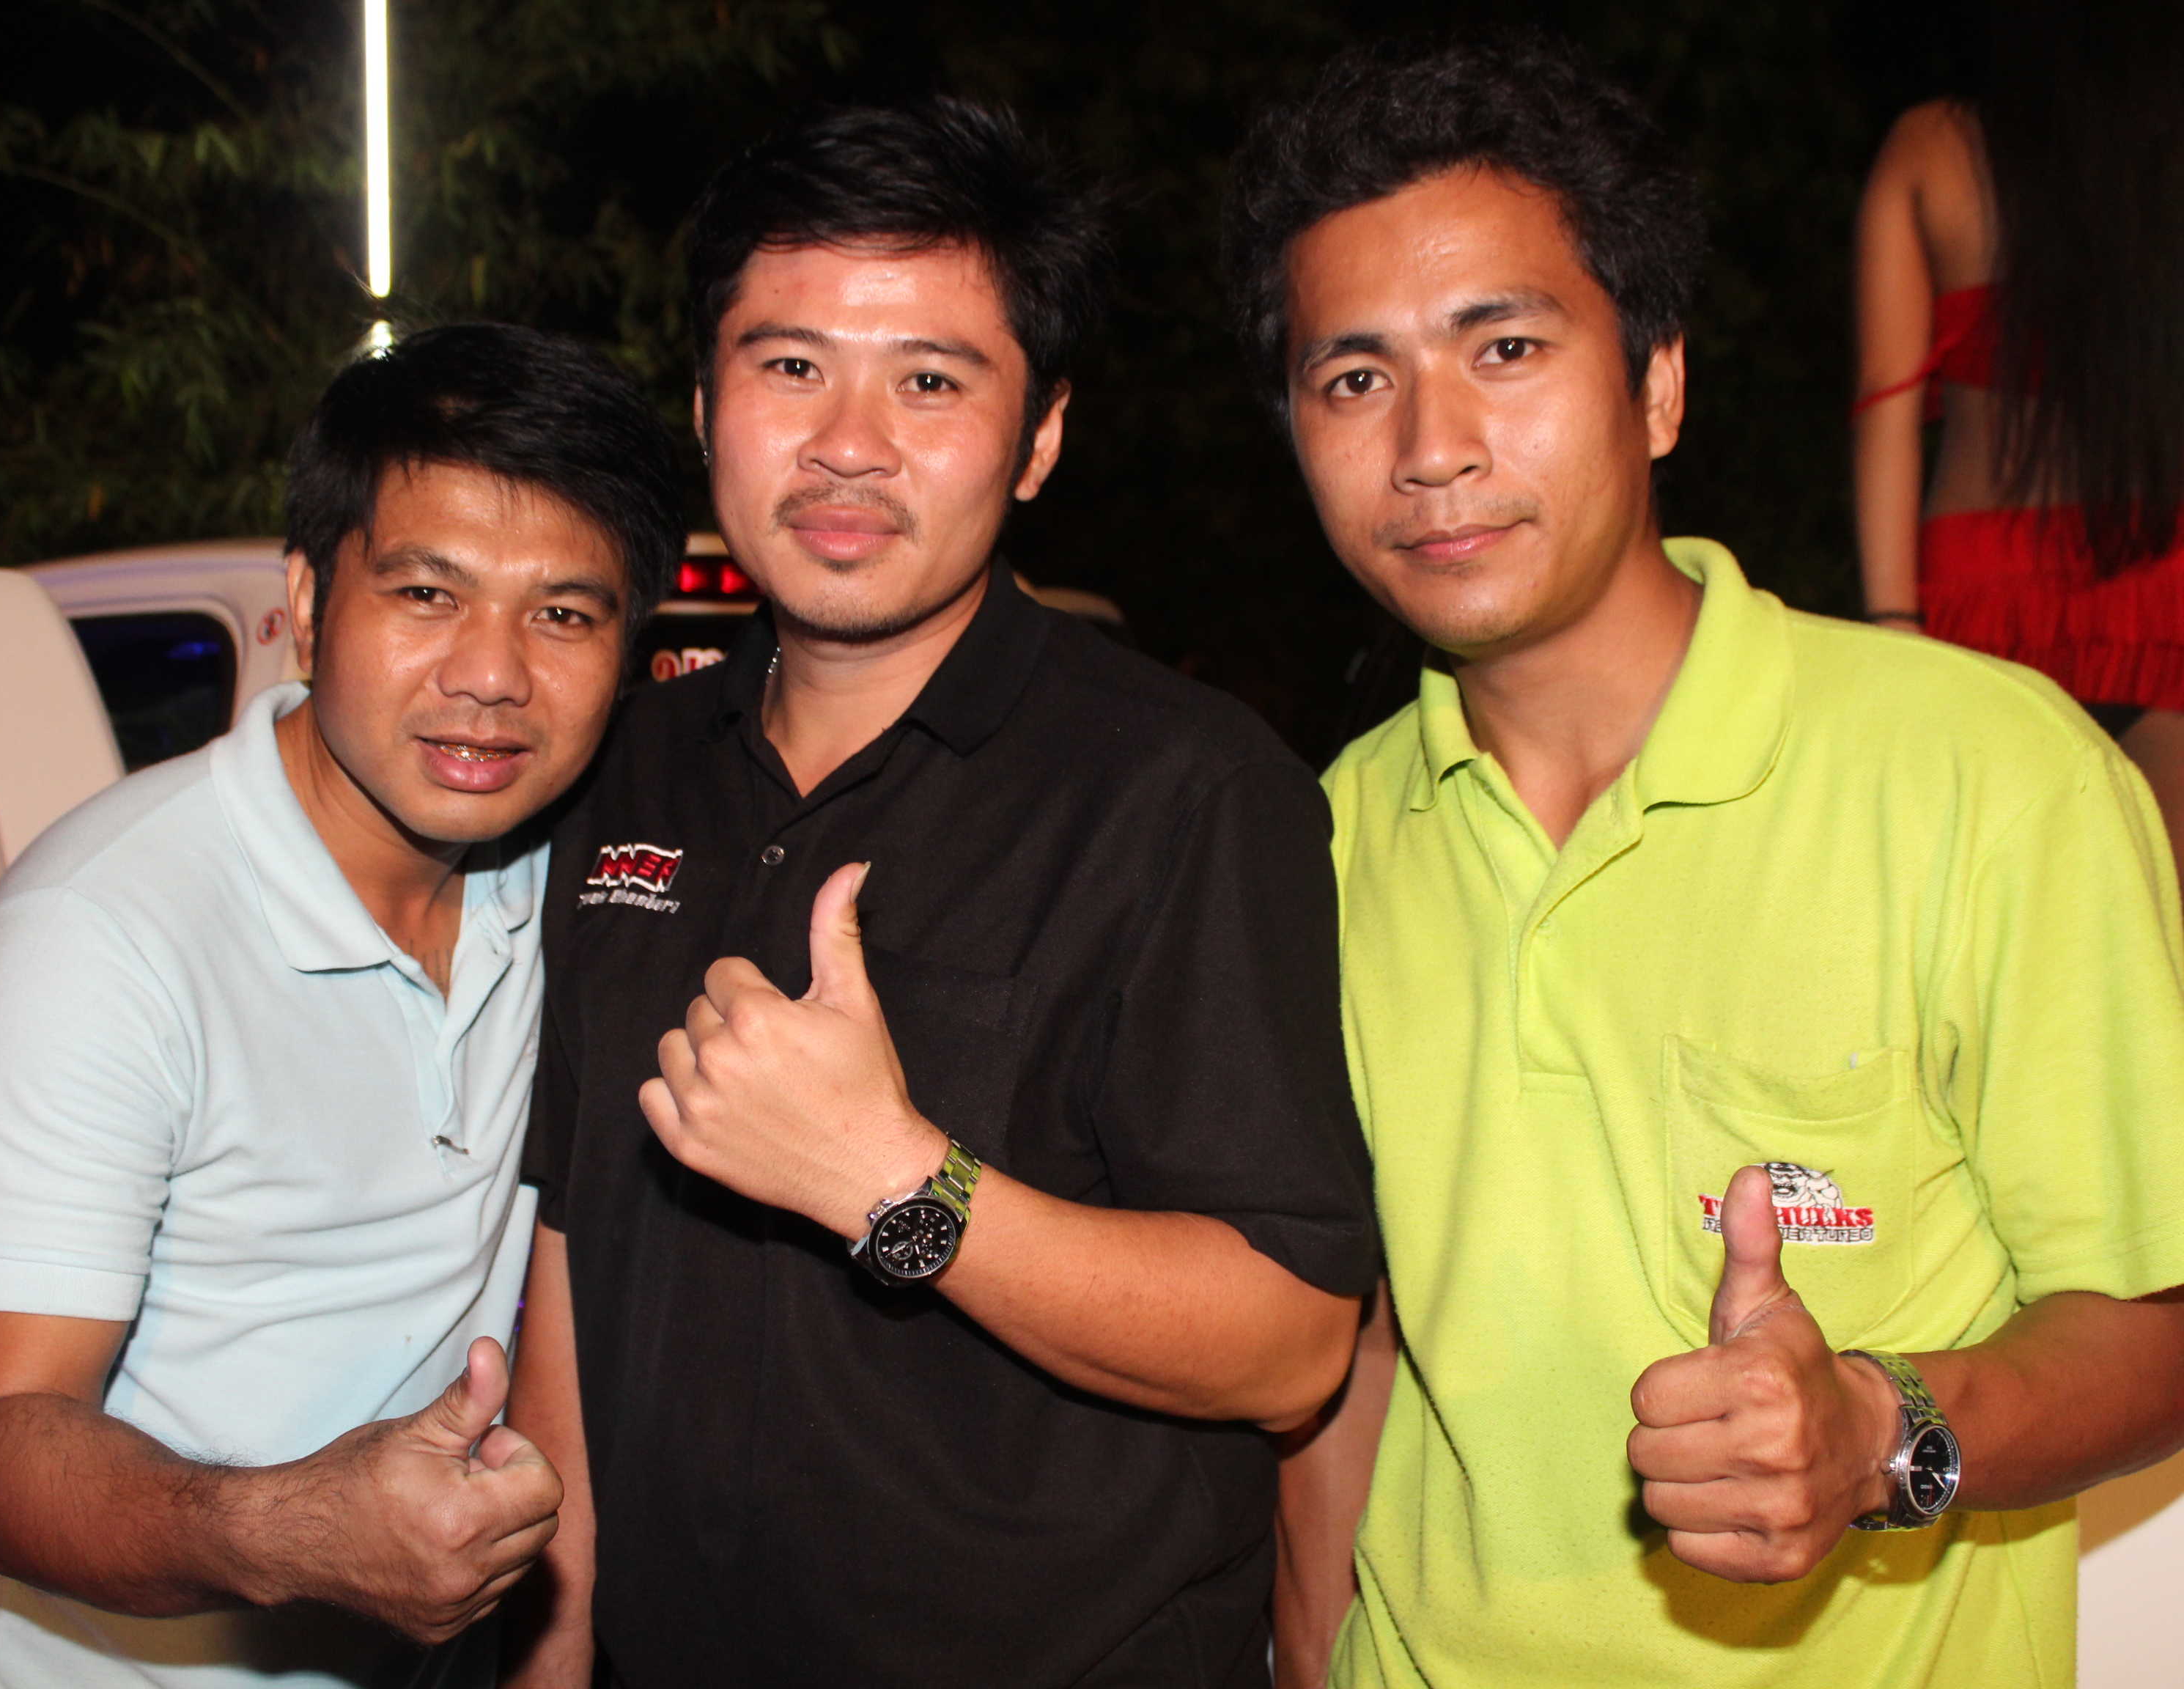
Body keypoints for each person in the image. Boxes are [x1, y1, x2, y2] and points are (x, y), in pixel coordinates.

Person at [1224, 34, 2184, 1689]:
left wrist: (1875, 1428)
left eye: (1503, 347)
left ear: (1656, 382)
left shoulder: (1989, 776)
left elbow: (2148, 1328)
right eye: (1353, 379)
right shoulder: (1313, 840)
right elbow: (1348, 1341)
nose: (1429, 445)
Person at [502, 97, 1376, 1689]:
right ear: (704, 405)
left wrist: (896, 1181)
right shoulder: (623, 768)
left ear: (1039, 438)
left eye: (929, 380)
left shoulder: (1187, 791)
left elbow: (1290, 1336)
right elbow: (575, 1233)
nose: (849, 442)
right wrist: (553, 1652)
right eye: (790, 366)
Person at [0, 322, 686, 1688]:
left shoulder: (571, 880)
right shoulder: (106, 930)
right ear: (308, 599)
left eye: (564, 614)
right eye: (427, 593)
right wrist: (288, 1527)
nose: (492, 674)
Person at [1853, 1, 2184, 864]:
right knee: (2162, 928)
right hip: (2163, 592)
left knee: (2001, 922)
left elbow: (1886, 401)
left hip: (1979, 600)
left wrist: (1892, 624)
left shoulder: (1932, 147)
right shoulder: (2160, 156)